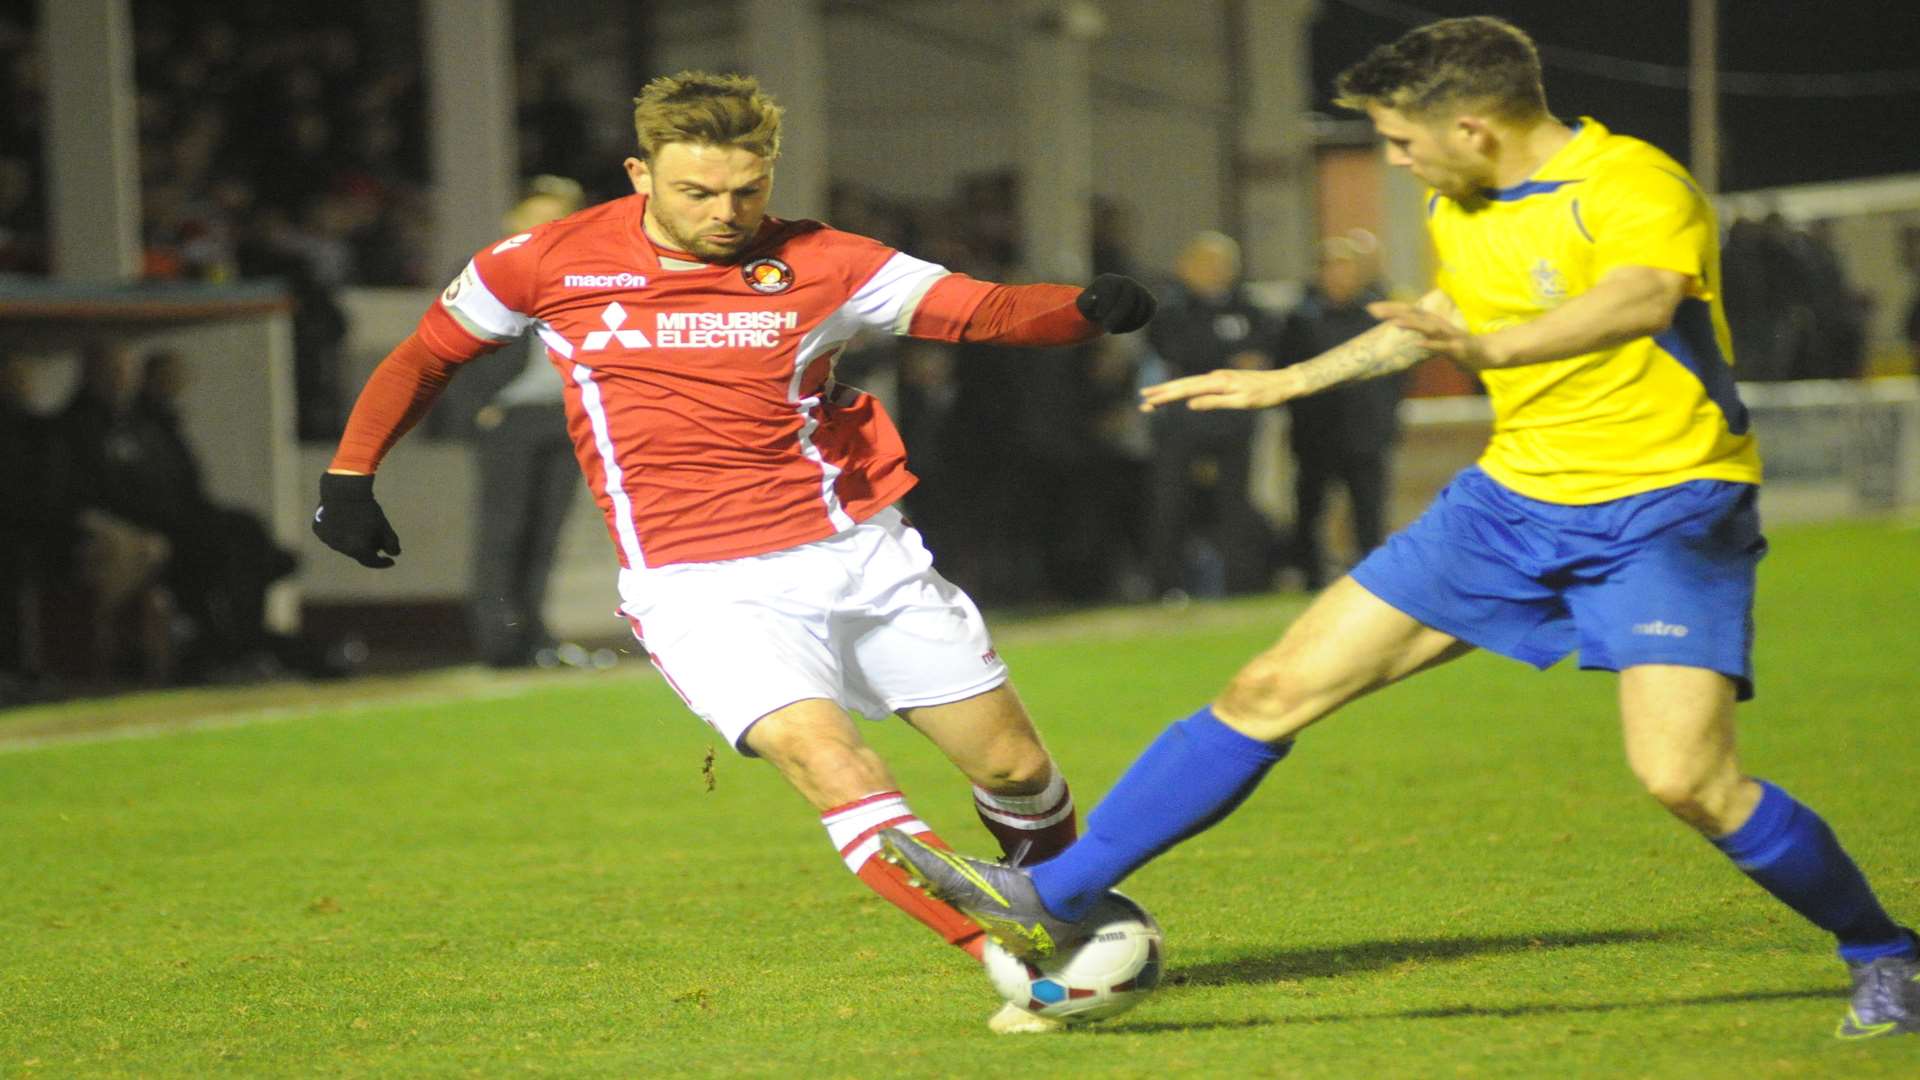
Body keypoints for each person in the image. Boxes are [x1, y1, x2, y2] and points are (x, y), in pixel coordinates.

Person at [880, 17, 1919, 1040]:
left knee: (1685, 779)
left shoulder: (1633, 183)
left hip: (1664, 511)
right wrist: (1292, 377)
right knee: (1270, 688)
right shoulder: (1460, 200)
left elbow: (1639, 300)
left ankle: (1885, 954)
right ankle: (1054, 892)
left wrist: (1498, 347)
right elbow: (1433, 315)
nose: (1394, 156)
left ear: (1471, 125)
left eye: (1397, 136)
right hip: (1506, 507)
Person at [308, 71, 1155, 1033]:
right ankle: (1020, 960)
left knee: (1014, 771)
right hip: (698, 586)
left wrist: (1083, 309)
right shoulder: (540, 262)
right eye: (697, 193)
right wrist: (350, 476)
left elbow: (985, 310)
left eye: (746, 192)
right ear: (641, 173)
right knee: (826, 758)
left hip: (857, 554)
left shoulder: (829, 261)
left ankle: (1074, 921)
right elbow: (425, 356)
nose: (725, 213)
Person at [436, 175, 591, 668]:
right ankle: (498, 640)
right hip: (508, 416)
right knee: (503, 531)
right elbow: (447, 342)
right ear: (514, 221)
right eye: (539, 217)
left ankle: (534, 636)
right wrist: (475, 408)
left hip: (566, 416)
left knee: (547, 532)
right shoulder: (486, 270)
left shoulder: (589, 275)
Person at [1143, 231, 1277, 598]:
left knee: (1235, 505)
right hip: (1181, 422)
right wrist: (1227, 360)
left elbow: (1268, 348)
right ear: (1185, 267)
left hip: (1234, 422)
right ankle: (1167, 588)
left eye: (1224, 264)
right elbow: (1179, 349)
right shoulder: (1169, 310)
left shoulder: (1252, 309)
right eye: (1207, 263)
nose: (1217, 271)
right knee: (1171, 504)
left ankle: (1241, 586)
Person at [1277, 230, 1404, 589]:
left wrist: (1385, 418)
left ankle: (1371, 579)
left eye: (1345, 267)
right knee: (1310, 507)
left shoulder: (1378, 314)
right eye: (1331, 267)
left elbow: (1397, 376)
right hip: (1316, 432)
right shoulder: (1301, 319)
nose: (1338, 275)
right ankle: (1309, 576)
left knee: (1368, 509)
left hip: (1366, 431)